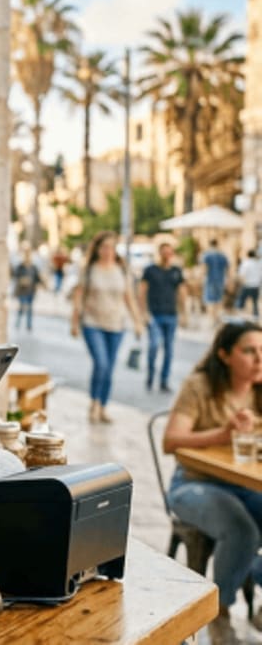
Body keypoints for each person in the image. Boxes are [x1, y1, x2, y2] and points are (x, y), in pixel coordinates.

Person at [163, 321, 262, 644]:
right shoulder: (201, 386)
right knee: (242, 530)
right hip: (193, 483)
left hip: (244, 484)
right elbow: (171, 441)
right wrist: (224, 433)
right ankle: (218, 613)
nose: (259, 359)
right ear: (224, 354)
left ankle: (249, 573)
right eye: (249, 351)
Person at [70, 231, 143, 424]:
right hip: (92, 323)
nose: (108, 251)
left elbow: (129, 297)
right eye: (104, 247)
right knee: (101, 363)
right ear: (97, 249)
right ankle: (94, 403)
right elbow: (78, 296)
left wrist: (137, 322)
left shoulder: (122, 270)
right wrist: (74, 322)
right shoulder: (89, 270)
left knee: (109, 368)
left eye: (111, 247)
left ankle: (103, 406)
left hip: (116, 324)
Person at [140, 241, 188, 393]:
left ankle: (164, 380)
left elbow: (181, 292)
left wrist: (184, 313)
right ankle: (150, 376)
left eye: (169, 252)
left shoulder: (176, 271)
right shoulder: (150, 270)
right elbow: (142, 291)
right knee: (154, 346)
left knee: (169, 350)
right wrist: (143, 312)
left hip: (171, 314)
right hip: (154, 314)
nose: (167, 255)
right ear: (159, 253)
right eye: (164, 252)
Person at [12, 248, 45, 331]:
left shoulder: (34, 267)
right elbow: (16, 276)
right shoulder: (20, 267)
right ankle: (18, 323)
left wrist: (43, 283)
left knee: (30, 308)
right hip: (22, 291)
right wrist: (23, 280)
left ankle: (29, 325)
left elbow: (37, 278)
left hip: (31, 291)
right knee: (22, 307)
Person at [203, 238, 230, 324]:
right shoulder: (222, 255)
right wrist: (227, 279)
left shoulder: (207, 255)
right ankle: (217, 318)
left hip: (210, 280)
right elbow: (227, 269)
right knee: (219, 300)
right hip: (220, 280)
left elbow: (204, 268)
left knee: (210, 300)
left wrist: (203, 277)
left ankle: (212, 319)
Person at [237, 250, 262, 318]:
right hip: (256, 285)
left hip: (247, 285)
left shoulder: (246, 263)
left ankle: (240, 315)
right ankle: (255, 316)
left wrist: (241, 283)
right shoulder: (258, 263)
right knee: (255, 302)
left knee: (241, 300)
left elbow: (242, 274)